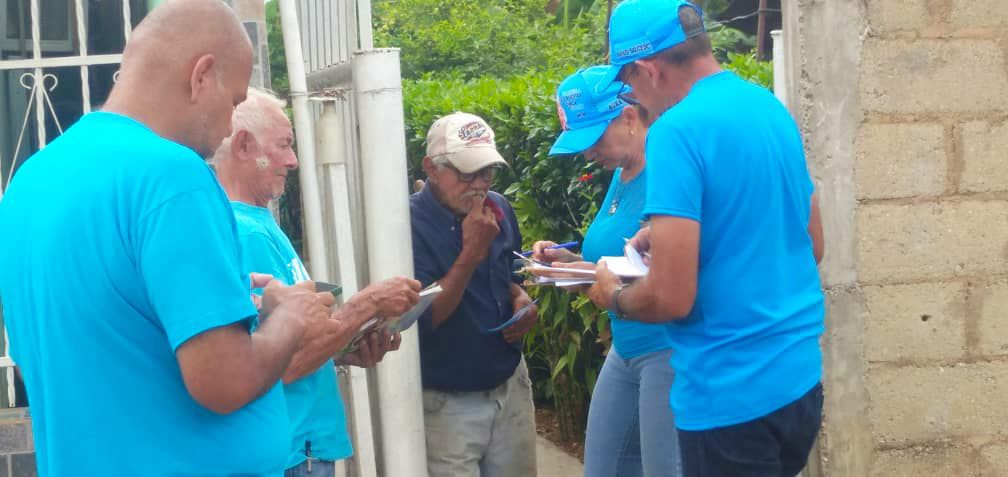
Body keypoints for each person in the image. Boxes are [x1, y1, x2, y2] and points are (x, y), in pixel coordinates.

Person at [0, 1, 333, 475]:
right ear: (202, 75)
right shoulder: (173, 175)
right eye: (235, 102)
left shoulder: (30, 180)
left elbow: (113, 328)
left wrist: (233, 303)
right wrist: (289, 316)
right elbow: (223, 378)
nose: (227, 128)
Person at [584, 1, 827, 476]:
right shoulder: (767, 107)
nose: (633, 100)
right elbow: (811, 243)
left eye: (628, 85)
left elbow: (671, 298)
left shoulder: (675, 132)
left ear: (648, 70)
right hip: (797, 382)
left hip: (729, 397)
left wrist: (613, 295)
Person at [212, 88, 421, 477]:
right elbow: (283, 366)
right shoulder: (245, 232)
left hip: (299, 448)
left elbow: (282, 347)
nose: (293, 161)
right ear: (243, 146)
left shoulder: (256, 221)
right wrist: (366, 306)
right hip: (293, 454)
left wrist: (343, 348)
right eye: (284, 145)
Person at [531, 66, 681, 477]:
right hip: (626, 345)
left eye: (593, 138)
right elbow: (617, 265)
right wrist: (567, 267)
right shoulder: (620, 174)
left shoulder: (669, 173)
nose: (586, 153)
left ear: (629, 118)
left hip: (666, 349)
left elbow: (681, 268)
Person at [410, 112, 539, 477]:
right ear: (431, 168)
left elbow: (508, 273)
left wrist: (521, 299)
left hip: (508, 385)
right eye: (467, 173)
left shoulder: (498, 206)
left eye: (487, 172)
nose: (479, 184)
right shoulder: (407, 224)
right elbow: (426, 318)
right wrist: (470, 252)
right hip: (448, 402)